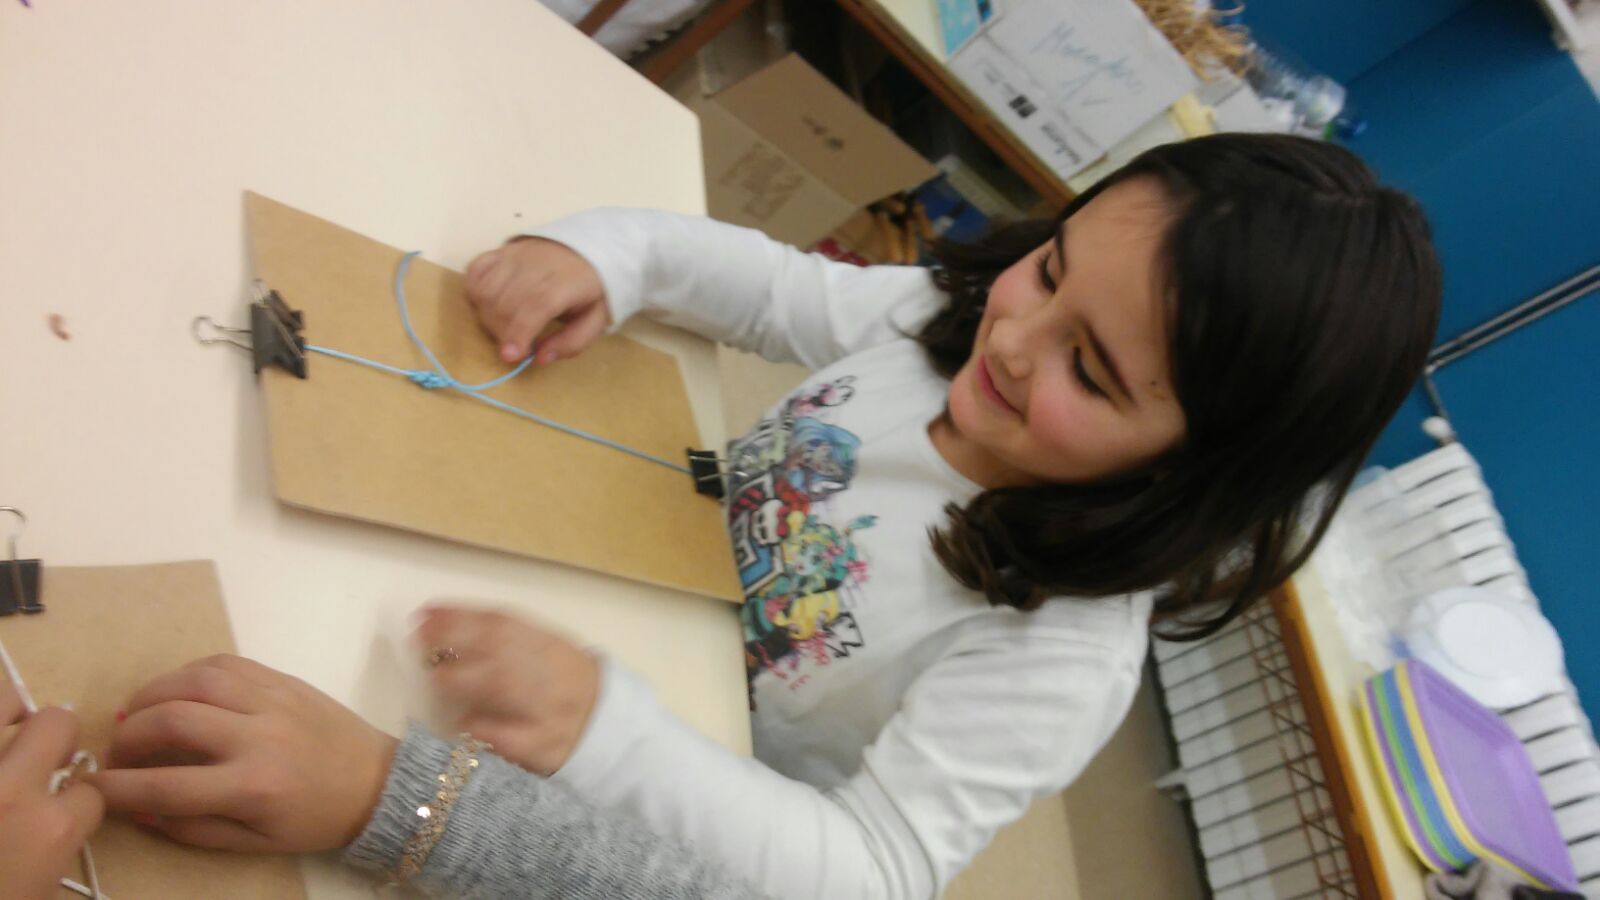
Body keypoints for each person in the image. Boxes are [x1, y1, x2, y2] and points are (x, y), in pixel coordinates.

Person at [87, 133, 1440, 898]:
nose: (1017, 339)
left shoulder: (1059, 654)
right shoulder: (945, 323)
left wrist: (611, 732)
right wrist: (608, 256)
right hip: (611, 579)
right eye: (1051, 269)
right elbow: (763, 285)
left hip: (677, 790)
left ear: (1197, 469)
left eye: (1093, 371)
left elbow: (868, 871)